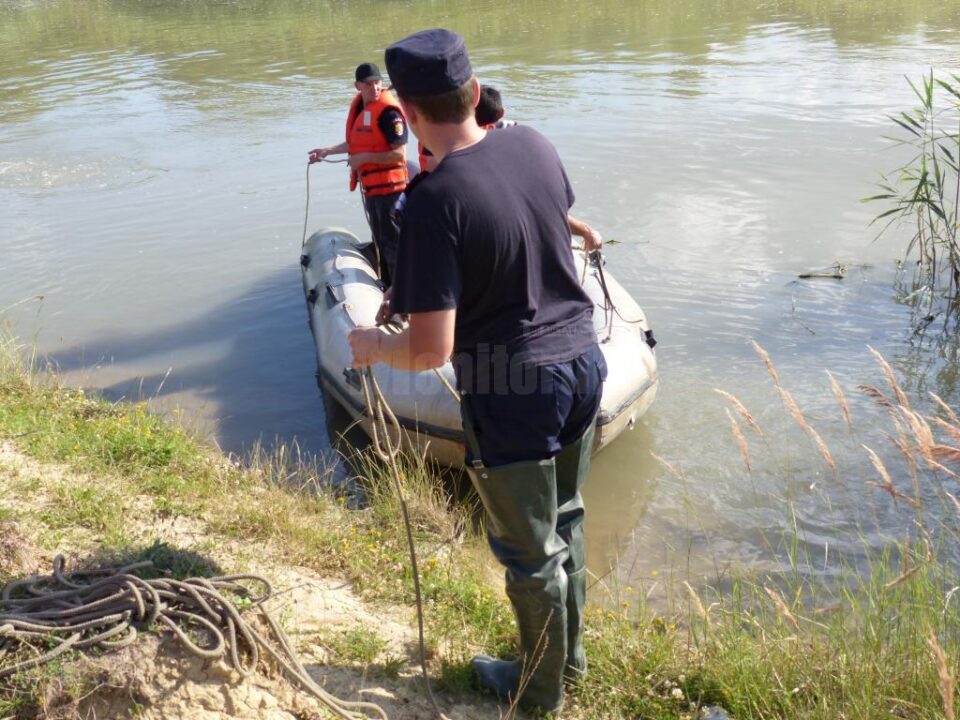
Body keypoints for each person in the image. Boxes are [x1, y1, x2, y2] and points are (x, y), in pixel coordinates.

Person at [348, 28, 607, 715]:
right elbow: (545, 224)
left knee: (529, 555)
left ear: (407, 104)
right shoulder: (533, 143)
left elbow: (431, 350)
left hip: (513, 384)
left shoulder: (434, 201)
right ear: (472, 86)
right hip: (584, 362)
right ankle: (569, 663)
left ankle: (538, 694)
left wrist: (373, 346)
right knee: (569, 518)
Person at [309, 62, 408, 285]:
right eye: (369, 84)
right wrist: (327, 151)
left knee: (393, 245)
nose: (374, 88)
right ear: (357, 86)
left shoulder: (389, 113)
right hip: (373, 191)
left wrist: (363, 159)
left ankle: (402, 297)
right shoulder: (362, 109)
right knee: (381, 242)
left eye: (377, 83)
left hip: (391, 192)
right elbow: (358, 142)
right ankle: (388, 288)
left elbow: (399, 154)